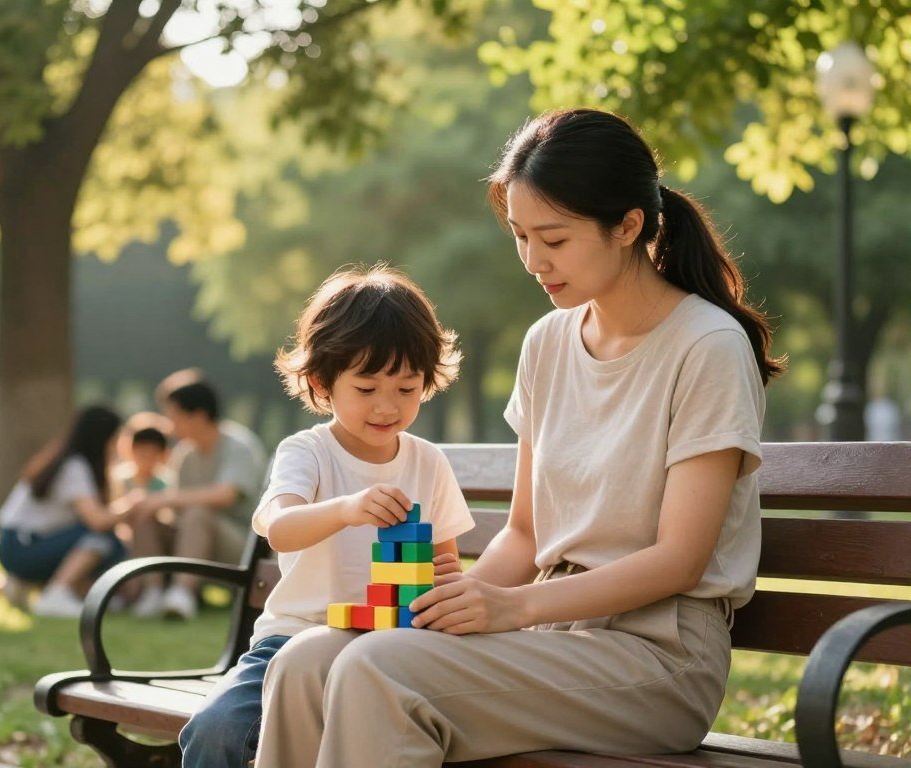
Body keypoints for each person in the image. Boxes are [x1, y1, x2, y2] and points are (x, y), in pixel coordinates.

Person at [252, 108, 784, 768]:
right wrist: (449, 605)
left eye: (553, 239)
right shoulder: (547, 343)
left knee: (379, 670)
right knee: (304, 663)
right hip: (550, 635)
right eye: (520, 236)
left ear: (627, 226)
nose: (533, 261)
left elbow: (680, 559)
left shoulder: (707, 346)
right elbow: (526, 535)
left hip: (657, 657)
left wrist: (513, 606)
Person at [179, 265, 475, 768]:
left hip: (391, 651)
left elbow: (443, 566)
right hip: (291, 643)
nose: (387, 407)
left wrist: (444, 580)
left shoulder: (428, 462)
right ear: (322, 382)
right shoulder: (307, 452)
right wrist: (347, 509)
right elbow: (281, 528)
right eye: (366, 389)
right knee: (217, 731)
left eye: (407, 389)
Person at [129, 374, 267, 620]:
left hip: (241, 545)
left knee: (198, 513)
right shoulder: (185, 454)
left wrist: (164, 499)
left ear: (199, 416)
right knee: (145, 517)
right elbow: (175, 511)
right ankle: (153, 592)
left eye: (174, 417)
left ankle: (183, 593)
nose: (169, 426)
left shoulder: (239, 445)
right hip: (194, 539)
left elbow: (226, 494)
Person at [0, 405, 139, 617]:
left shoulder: (63, 460)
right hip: (22, 547)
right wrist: (133, 505)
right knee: (103, 538)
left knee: (107, 542)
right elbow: (97, 521)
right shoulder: (74, 467)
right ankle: (57, 592)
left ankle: (26, 583)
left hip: (17, 544)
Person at [111, 420, 174, 617]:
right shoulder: (120, 480)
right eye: (141, 453)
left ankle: (153, 591)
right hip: (125, 540)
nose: (146, 460)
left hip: (152, 541)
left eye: (151, 454)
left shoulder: (165, 484)